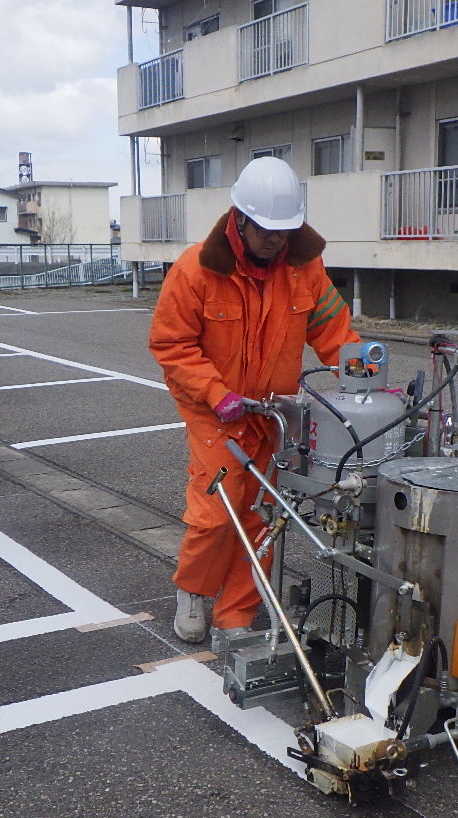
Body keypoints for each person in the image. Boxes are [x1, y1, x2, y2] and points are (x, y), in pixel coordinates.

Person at [149, 157, 360, 644]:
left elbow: (335, 331)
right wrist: (216, 393)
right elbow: (171, 346)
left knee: (266, 512)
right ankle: (194, 591)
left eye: (284, 231)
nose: (275, 240)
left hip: (274, 414)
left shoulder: (304, 269)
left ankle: (236, 610)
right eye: (266, 229)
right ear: (238, 219)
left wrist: (364, 376)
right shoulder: (194, 271)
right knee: (216, 512)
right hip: (216, 414)